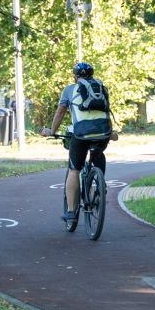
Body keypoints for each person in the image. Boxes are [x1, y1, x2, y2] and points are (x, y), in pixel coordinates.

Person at [41, 62, 118, 227]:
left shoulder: (70, 90)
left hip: (81, 134)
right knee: (98, 152)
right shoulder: (101, 87)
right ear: (92, 74)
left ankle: (71, 212)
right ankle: (100, 183)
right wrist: (111, 132)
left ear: (75, 76)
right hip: (103, 132)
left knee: (74, 169)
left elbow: (60, 111)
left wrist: (52, 130)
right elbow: (105, 110)